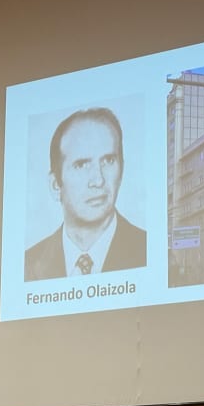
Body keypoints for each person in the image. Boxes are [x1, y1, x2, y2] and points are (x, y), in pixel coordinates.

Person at [25, 107, 147, 281]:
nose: (98, 180)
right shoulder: (28, 265)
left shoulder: (152, 251)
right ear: (55, 185)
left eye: (108, 161)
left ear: (122, 170)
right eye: (82, 165)